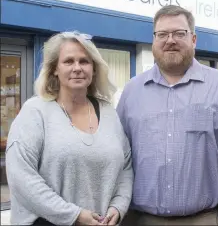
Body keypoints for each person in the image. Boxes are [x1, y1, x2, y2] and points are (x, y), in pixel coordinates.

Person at [117, 5, 218, 226]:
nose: (170, 40)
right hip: (141, 220)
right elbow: (118, 157)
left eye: (179, 33)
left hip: (206, 219)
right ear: (153, 40)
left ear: (194, 39)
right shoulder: (132, 91)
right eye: (162, 34)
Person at [6, 31, 133, 225]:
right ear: (54, 69)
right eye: (68, 61)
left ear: (94, 68)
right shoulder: (35, 112)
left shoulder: (108, 112)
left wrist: (119, 205)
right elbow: (21, 178)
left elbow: (126, 166)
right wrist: (73, 215)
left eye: (84, 61)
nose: (77, 68)